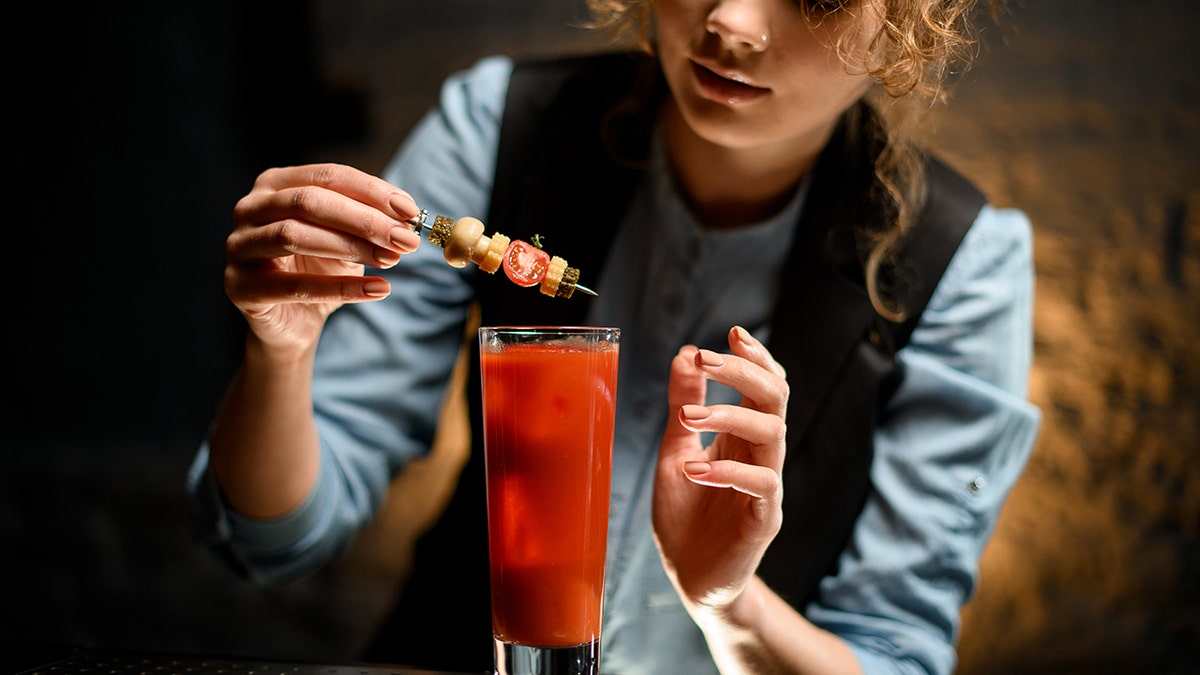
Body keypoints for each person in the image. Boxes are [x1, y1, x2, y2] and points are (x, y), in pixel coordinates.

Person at [188, 0, 1041, 673]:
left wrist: (728, 599)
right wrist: (281, 348)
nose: (731, 23)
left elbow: (894, 656)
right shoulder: (498, 123)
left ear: (908, 25)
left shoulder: (964, 263)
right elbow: (276, 540)